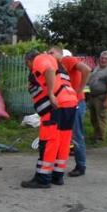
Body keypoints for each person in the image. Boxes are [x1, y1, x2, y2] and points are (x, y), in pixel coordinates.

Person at [21, 51, 78, 189]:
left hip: (57, 105)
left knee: (48, 141)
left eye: (27, 64)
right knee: (63, 141)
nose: (29, 67)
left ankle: (43, 178)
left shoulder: (40, 59)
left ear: (29, 60)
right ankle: (57, 176)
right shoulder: (57, 62)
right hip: (70, 101)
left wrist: (51, 94)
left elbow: (49, 70)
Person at [48, 47, 91, 177]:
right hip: (65, 103)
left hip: (75, 102)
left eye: (51, 52)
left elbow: (87, 70)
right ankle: (58, 164)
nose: (48, 55)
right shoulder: (56, 65)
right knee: (63, 134)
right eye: (47, 53)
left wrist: (79, 90)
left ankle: (81, 166)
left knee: (76, 135)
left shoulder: (67, 60)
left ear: (60, 54)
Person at [87, 50, 107, 144]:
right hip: (93, 96)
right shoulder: (97, 67)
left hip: (101, 97)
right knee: (93, 117)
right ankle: (96, 134)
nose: (103, 60)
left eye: (106, 59)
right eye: (102, 58)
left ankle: (100, 137)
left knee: (101, 117)